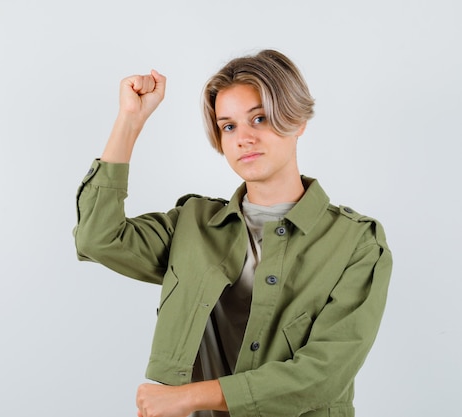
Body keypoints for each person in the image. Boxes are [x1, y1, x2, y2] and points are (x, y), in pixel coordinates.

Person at [73, 49, 392, 417]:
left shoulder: (357, 243)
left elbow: (323, 375)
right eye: (229, 126)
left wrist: (189, 397)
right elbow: (97, 239)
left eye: (260, 118)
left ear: (298, 120)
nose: (244, 138)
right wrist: (130, 121)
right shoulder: (192, 225)